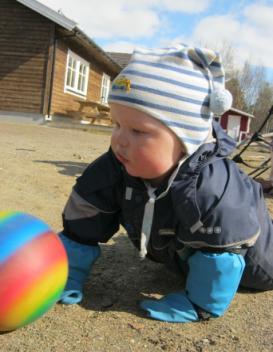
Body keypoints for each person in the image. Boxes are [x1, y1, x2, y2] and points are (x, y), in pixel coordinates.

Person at [58, 44, 273, 323]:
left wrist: (197, 304)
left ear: (186, 141)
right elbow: (84, 221)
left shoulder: (214, 190)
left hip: (255, 264)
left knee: (249, 264)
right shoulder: (115, 165)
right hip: (183, 253)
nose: (119, 140)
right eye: (116, 125)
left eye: (137, 131)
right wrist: (66, 274)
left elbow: (222, 255)